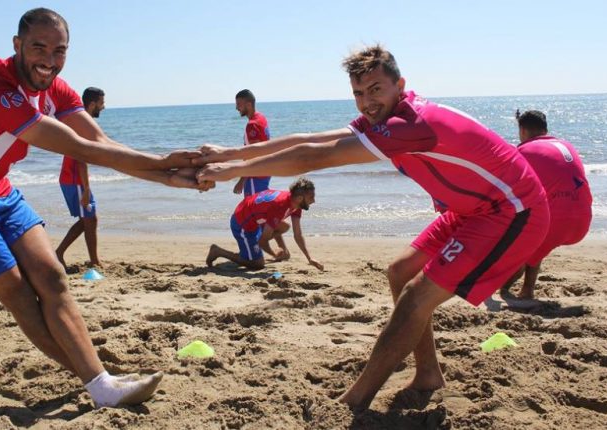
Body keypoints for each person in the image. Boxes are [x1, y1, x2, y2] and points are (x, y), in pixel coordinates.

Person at [197, 45, 549, 410]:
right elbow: (310, 140)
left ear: (400, 85)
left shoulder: (410, 125)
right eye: (359, 93)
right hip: (470, 210)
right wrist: (229, 154)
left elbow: (316, 157)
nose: (367, 101)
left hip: (512, 211)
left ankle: (353, 401)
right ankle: (428, 374)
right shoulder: (385, 117)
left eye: (376, 89)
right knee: (400, 272)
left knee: (415, 297)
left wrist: (233, 170)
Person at [0, 8, 212, 409]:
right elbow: (80, 148)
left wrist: (167, 177)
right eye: (38, 47)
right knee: (20, 293)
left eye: (59, 51)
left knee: (53, 277)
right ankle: (99, 382)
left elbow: (101, 142)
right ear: (17, 45)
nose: (49, 60)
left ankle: (100, 381)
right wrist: (161, 165)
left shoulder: (57, 90)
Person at [501, 110, 592, 299]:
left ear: (522, 130)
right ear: (545, 128)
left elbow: (505, 190)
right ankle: (526, 288)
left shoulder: (523, 151)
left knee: (523, 241)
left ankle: (512, 288)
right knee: (538, 241)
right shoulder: (566, 145)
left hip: (556, 224)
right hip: (583, 220)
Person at [206, 177, 323, 271]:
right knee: (257, 264)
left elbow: (298, 235)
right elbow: (263, 241)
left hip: (255, 221)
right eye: (311, 197)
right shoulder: (280, 206)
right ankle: (218, 251)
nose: (314, 201)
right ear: (299, 198)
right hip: (241, 224)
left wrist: (309, 258)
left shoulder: (295, 204)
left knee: (285, 226)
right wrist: (274, 254)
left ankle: (254, 246)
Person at [56, 87, 106, 269]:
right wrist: (86, 189)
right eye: (101, 103)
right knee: (90, 219)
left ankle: (65, 254)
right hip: (74, 179)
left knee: (89, 219)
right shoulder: (83, 126)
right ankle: (91, 260)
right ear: (92, 104)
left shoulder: (81, 122)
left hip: (72, 178)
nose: (103, 107)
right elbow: (80, 159)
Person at [234, 89, 271, 196]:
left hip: (255, 175)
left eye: (239, 104)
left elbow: (253, 155)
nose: (237, 108)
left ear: (249, 105)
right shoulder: (261, 118)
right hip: (265, 170)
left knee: (252, 204)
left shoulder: (252, 125)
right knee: (259, 203)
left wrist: (242, 180)